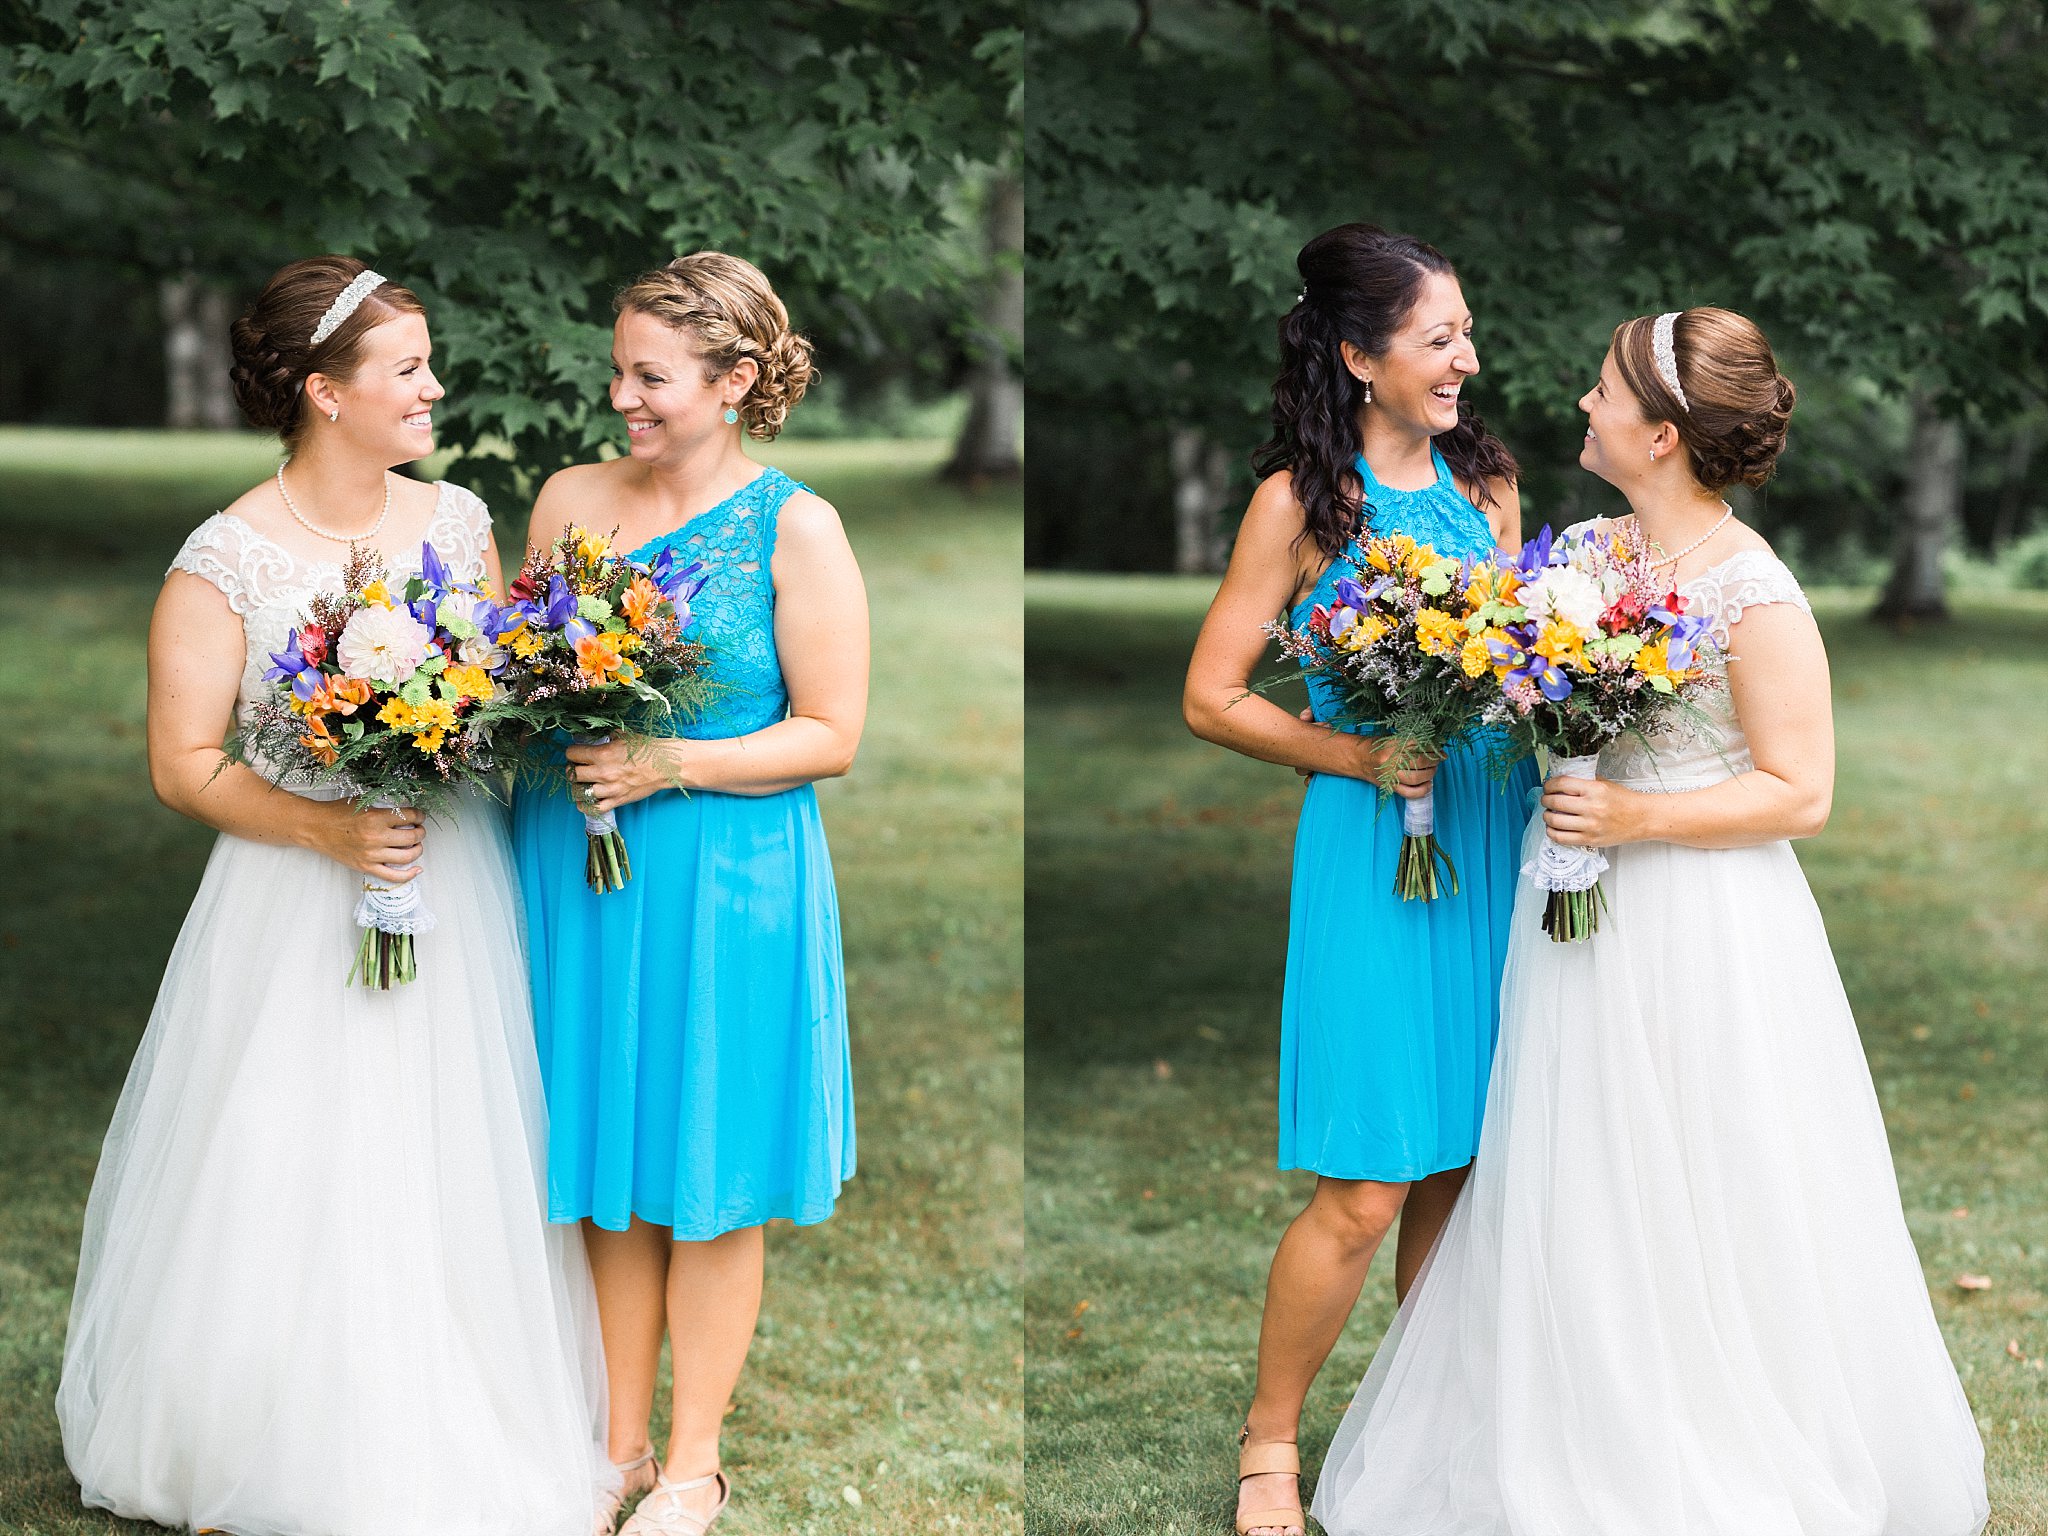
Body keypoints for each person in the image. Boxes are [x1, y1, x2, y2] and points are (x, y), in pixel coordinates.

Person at [1313, 307, 1990, 1536]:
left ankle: (1710, 1443)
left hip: (1699, 922)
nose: (1579, 402)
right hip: (1564, 902)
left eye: (1602, 390)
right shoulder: (1579, 549)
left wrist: (1632, 822)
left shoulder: (1752, 591)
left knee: (1702, 1173)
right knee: (1564, 1166)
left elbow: (1803, 791)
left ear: (1663, 435)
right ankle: (1563, 1425)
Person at [57, 255, 613, 1535]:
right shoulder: (226, 559)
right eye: (405, 370)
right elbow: (183, 764)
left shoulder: (461, 521)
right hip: (294, 890)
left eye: (427, 363)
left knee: (450, 1143)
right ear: (323, 392)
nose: (433, 388)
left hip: (448, 878)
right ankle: (253, 1431)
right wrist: (327, 827)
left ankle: (454, 1408)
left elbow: (488, 692)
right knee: (290, 1143)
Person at [1182, 224, 1540, 1536]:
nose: (1467, 359)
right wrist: (1356, 750)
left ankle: (1430, 1424)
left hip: (1492, 831)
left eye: (1464, 335)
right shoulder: (1299, 505)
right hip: (1374, 845)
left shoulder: (1490, 484)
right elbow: (1211, 695)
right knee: (1371, 1180)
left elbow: (1515, 650)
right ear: (1356, 355)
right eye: (1439, 338)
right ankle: (1268, 1442)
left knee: (1462, 1162)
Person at [510, 252, 866, 1536]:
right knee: (605, 1149)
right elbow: (523, 670)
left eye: (650, 376)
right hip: (579, 861)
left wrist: (669, 761)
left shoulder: (795, 525)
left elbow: (830, 731)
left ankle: (693, 1465)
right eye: (619, 370)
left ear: (736, 381)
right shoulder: (567, 500)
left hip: (726, 875)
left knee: (705, 1163)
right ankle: (613, 1439)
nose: (623, 398)